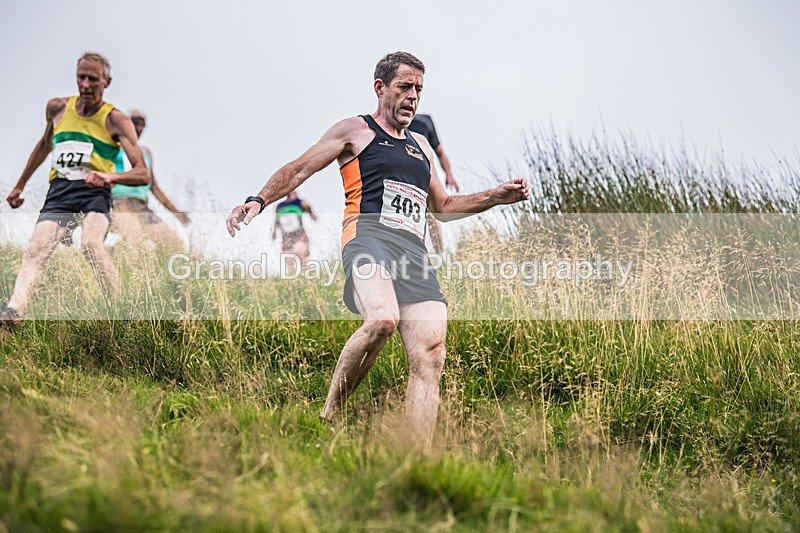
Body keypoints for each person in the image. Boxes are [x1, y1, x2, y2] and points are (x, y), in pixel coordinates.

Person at [226, 51, 529, 447]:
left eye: (419, 89)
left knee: (431, 353)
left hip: (413, 253)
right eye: (405, 87)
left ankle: (415, 457)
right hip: (367, 238)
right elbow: (300, 168)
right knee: (383, 320)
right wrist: (257, 200)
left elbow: (442, 207)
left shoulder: (420, 145)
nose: (413, 97)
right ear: (380, 88)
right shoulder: (356, 130)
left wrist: (495, 196)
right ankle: (328, 417)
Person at [1, 52, 149, 329]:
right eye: (81, 77)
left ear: (107, 82)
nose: (85, 84)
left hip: (95, 192)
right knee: (35, 248)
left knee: (91, 245)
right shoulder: (57, 108)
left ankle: (122, 314)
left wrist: (107, 175)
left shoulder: (115, 120)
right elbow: (45, 144)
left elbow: (142, 172)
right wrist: (20, 184)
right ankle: (13, 314)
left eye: (93, 79)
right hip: (60, 191)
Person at [111, 109, 190, 249]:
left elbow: (154, 187)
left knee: (173, 242)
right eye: (135, 123)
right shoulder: (113, 148)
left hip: (141, 206)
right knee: (133, 239)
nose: (139, 128)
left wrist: (176, 212)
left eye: (142, 124)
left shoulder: (146, 153)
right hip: (118, 203)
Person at [409, 113, 460, 254]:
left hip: (424, 172)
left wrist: (449, 174)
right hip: (402, 175)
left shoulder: (425, 121)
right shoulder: (391, 121)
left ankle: (439, 255)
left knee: (431, 213)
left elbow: (440, 153)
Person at [271, 191, 317, 268]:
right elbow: (276, 221)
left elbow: (314, 218)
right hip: (286, 238)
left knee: (302, 259)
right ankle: (293, 279)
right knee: (289, 264)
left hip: (299, 235)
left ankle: (305, 278)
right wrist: (274, 233)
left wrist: (310, 210)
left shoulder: (300, 202)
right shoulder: (279, 206)